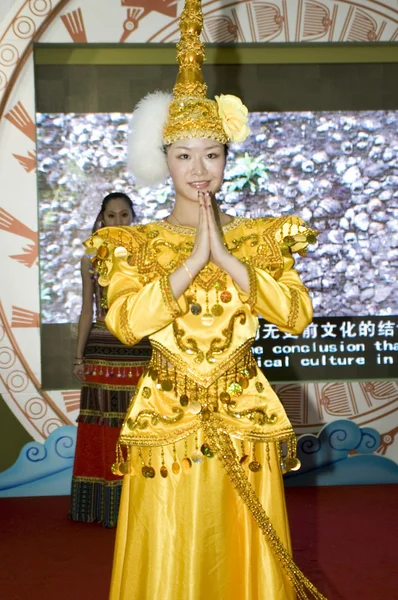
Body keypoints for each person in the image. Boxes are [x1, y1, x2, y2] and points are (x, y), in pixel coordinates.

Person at [86, 2, 327, 597]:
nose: (199, 169)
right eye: (184, 155)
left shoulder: (258, 240)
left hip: (244, 419)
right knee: (169, 544)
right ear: (163, 160)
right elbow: (125, 322)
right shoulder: (132, 245)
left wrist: (227, 260)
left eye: (212, 154)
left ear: (227, 159)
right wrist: (191, 262)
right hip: (168, 421)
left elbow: (295, 315)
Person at [69, 192, 151, 528]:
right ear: (102, 219)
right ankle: (102, 507)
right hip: (102, 353)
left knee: (143, 427)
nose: (118, 221)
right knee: (103, 428)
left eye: (124, 215)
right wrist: (78, 356)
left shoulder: (148, 256)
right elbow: (87, 311)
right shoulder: (90, 259)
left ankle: (145, 506)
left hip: (140, 348)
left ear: (133, 218)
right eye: (111, 215)